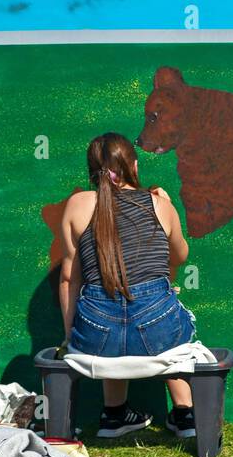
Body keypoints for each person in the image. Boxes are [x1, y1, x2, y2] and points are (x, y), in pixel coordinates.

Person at [58, 132, 195, 438]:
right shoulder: (159, 204)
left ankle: (115, 414)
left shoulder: (77, 204)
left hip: (97, 336)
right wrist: (168, 206)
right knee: (164, 308)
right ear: (134, 165)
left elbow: (69, 279)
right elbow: (180, 256)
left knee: (109, 304)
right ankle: (184, 413)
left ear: (92, 171)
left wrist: (70, 337)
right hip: (157, 331)